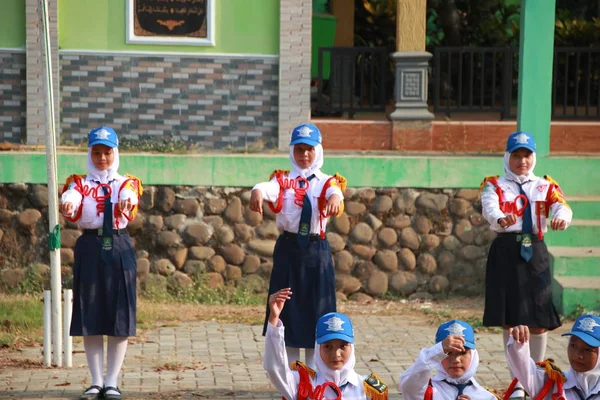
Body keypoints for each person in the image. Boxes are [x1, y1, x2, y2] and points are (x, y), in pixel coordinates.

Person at [480, 131, 573, 400]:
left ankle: (537, 377)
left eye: (527, 155)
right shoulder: (494, 185)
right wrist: (500, 219)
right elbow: (490, 208)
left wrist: (561, 219)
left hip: (536, 252)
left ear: (533, 157)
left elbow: (562, 207)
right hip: (506, 251)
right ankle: (517, 382)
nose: (522, 160)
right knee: (511, 321)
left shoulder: (545, 186)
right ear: (507, 156)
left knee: (539, 318)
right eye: (517, 155)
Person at [250, 123, 346, 368]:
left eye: (310, 150)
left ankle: (316, 379)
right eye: (300, 149)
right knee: (287, 312)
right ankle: (292, 379)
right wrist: (257, 192)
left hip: (317, 253)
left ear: (318, 151)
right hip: (289, 251)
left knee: (319, 315)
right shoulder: (282, 180)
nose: (304, 155)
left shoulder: (326, 181)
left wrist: (335, 198)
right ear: (292, 151)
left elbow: (336, 192)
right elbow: (267, 188)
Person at [60, 126, 143, 400]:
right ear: (89, 154)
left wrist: (126, 204)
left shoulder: (126, 183)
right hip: (90, 246)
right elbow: (71, 196)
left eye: (107, 152)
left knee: (120, 313)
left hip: (119, 245)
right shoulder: (79, 183)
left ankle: (112, 382)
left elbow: (130, 197)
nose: (102, 158)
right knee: (90, 313)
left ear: (115, 152)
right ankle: (95, 381)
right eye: (97, 153)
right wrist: (68, 205)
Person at [264, 288, 389, 400]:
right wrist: (274, 318)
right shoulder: (303, 384)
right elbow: (274, 369)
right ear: (318, 348)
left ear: (352, 347)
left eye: (343, 346)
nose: (336, 354)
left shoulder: (368, 390)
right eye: (328, 347)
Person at [506, 314, 600, 400]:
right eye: (573, 345)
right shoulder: (552, 383)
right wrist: (519, 343)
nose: (577, 355)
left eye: (587, 350)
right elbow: (524, 369)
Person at [399, 319, 497, 400]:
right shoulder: (427, 390)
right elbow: (408, 385)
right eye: (448, 353)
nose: (456, 360)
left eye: (462, 353)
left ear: (473, 355)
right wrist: (438, 350)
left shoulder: (486, 396)